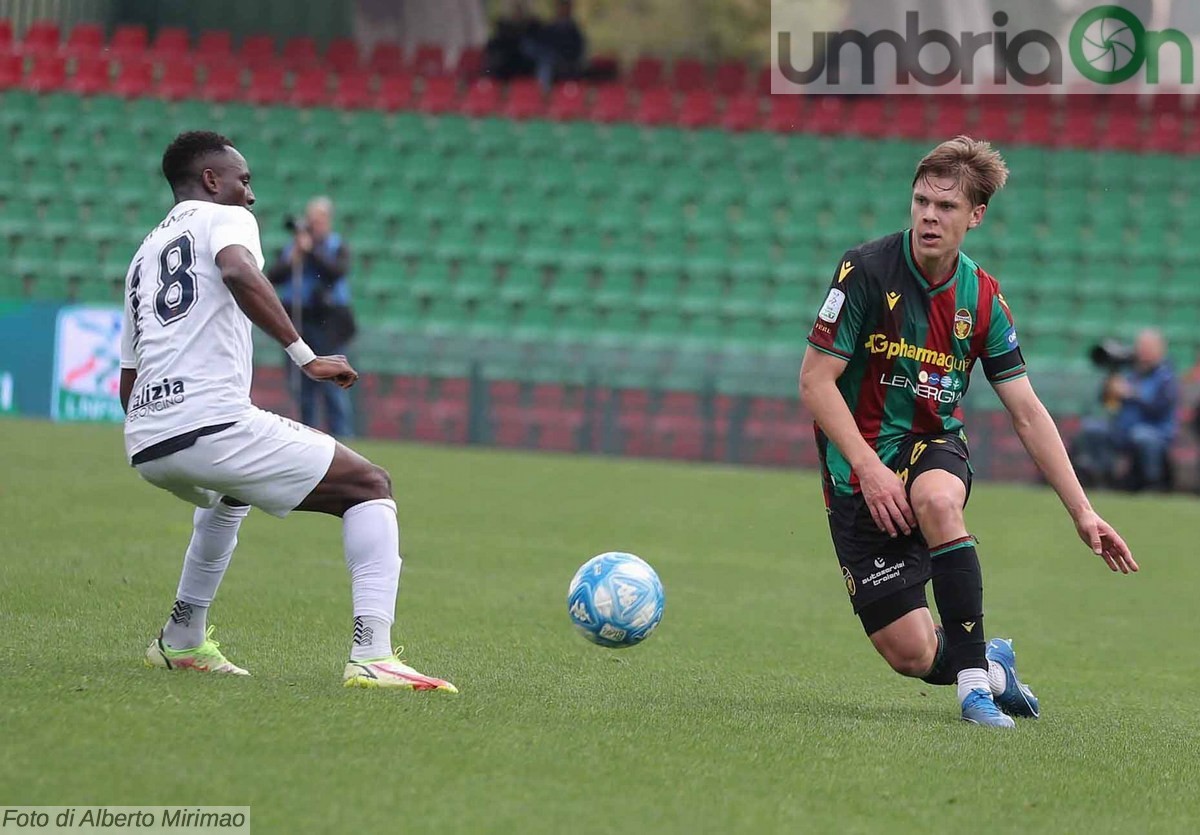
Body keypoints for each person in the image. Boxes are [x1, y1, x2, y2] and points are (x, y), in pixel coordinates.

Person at [800, 136, 1137, 728]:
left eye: (947, 207)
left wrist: (1083, 512)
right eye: (922, 201)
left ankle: (974, 688)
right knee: (909, 653)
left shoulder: (982, 298)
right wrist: (870, 471)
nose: (930, 215)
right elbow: (815, 382)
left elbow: (1027, 412)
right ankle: (993, 664)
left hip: (933, 448)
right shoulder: (865, 271)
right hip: (858, 470)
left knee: (935, 497)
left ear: (975, 216)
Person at [121, 131, 454, 692]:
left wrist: (150, 427)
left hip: (147, 439)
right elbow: (238, 272)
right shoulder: (223, 217)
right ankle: (373, 655)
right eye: (243, 180)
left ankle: (180, 640)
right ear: (211, 180)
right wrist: (306, 356)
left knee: (230, 496)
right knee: (370, 486)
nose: (250, 196)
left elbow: (129, 371)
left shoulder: (142, 258)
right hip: (208, 422)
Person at [267, 196, 356, 437]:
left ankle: (342, 436)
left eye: (318, 221)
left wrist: (311, 252)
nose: (313, 225)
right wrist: (294, 257)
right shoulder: (294, 248)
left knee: (332, 384)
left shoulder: (336, 247)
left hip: (328, 323)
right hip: (300, 321)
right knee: (302, 384)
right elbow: (273, 276)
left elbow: (335, 273)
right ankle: (308, 435)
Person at [1074, 330, 1179, 490]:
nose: (1143, 351)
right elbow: (1107, 404)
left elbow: (1159, 407)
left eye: (1149, 347)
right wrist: (1110, 389)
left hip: (1155, 430)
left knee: (1142, 436)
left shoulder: (1166, 377)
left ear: (1160, 350)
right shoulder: (1129, 372)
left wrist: (1131, 393)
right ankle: (1102, 477)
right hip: (1122, 429)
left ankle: (1151, 483)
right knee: (1093, 428)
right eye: (1141, 346)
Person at [522, 0, 585, 89]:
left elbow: (575, 51)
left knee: (546, 60)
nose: (562, 11)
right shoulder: (551, 26)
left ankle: (543, 90)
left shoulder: (573, 31)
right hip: (544, 56)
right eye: (560, 8)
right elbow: (540, 40)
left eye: (565, 8)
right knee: (529, 47)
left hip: (562, 60)